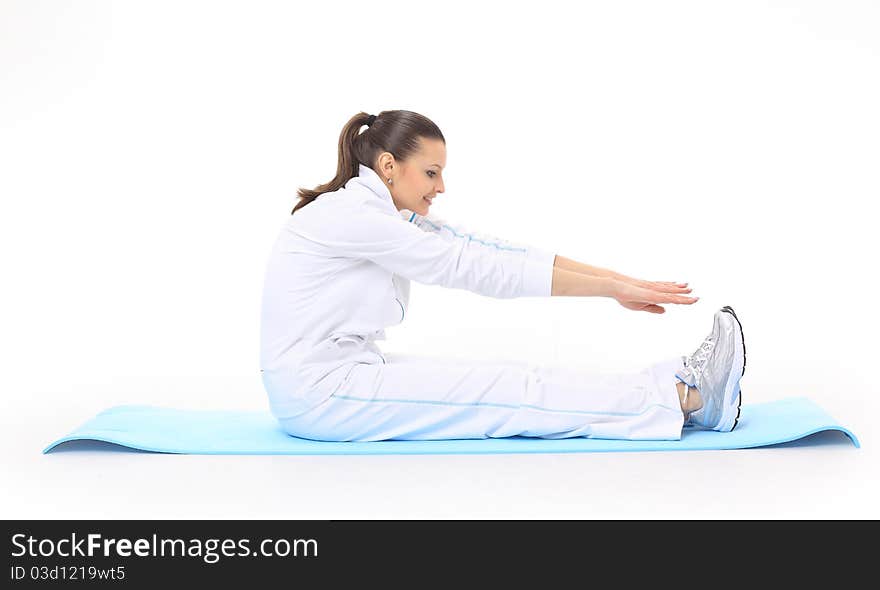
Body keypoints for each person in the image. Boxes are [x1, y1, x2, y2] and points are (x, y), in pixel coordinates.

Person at [259, 109, 746, 442]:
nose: (442, 186)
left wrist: (614, 281)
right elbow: (473, 269)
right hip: (320, 392)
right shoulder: (356, 217)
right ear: (389, 166)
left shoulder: (380, 211)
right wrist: (609, 288)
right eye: (431, 172)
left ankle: (674, 386)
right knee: (507, 395)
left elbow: (484, 248)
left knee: (515, 378)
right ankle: (693, 401)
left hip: (345, 373)